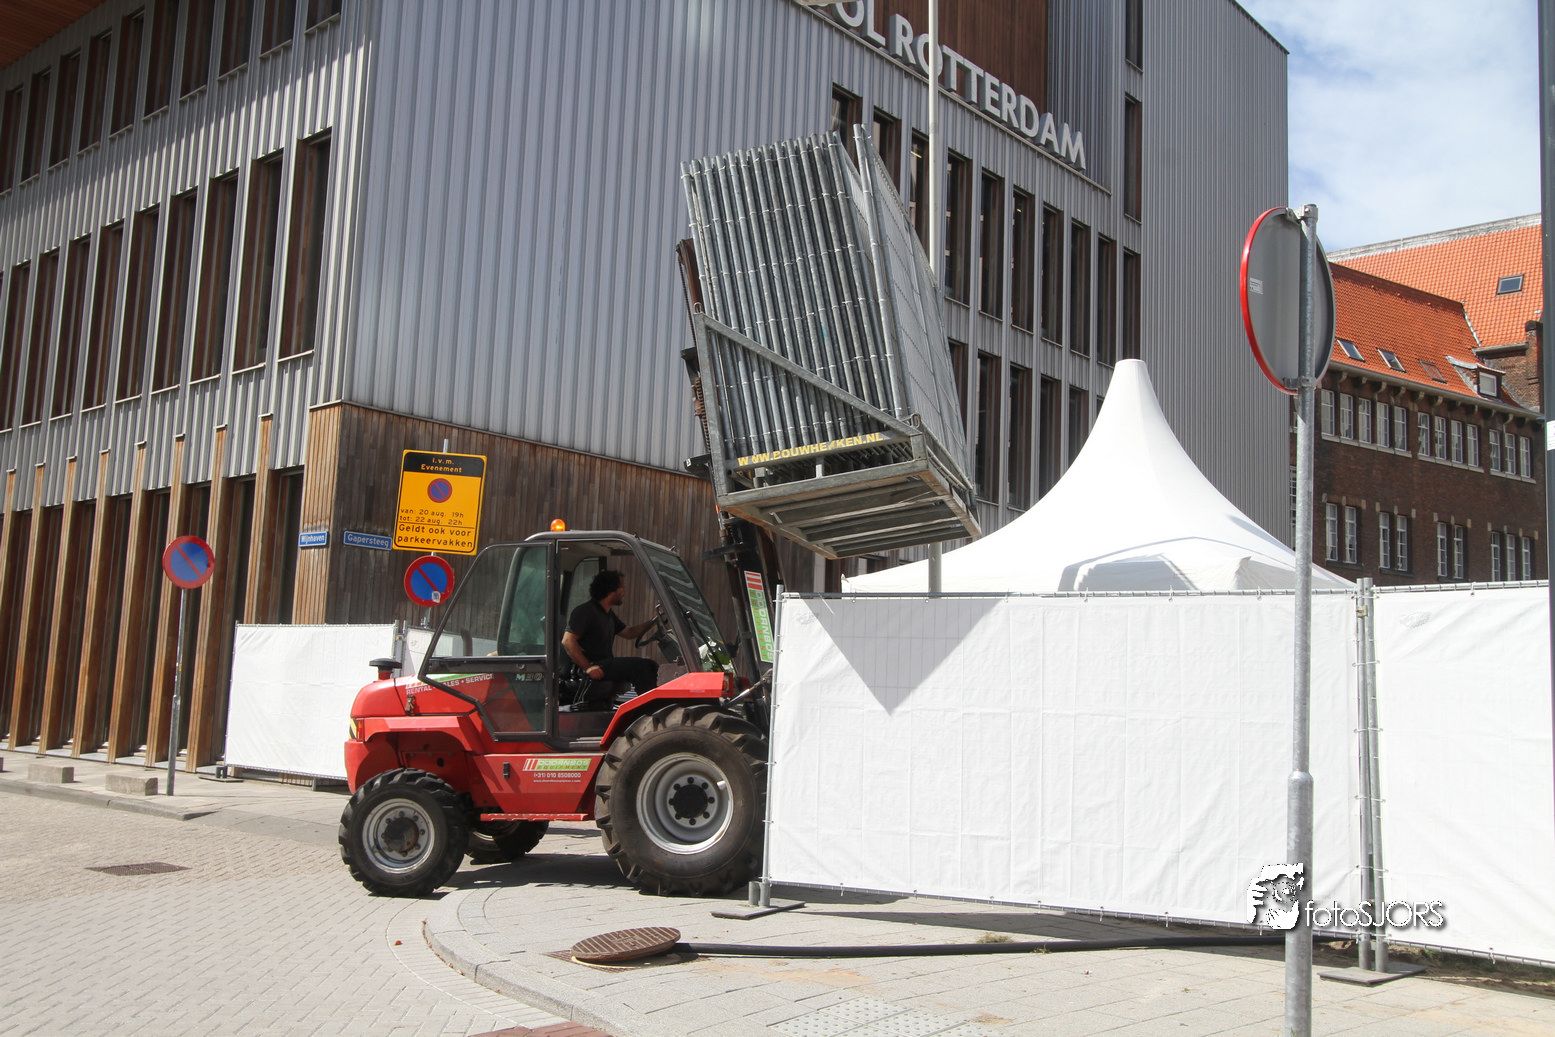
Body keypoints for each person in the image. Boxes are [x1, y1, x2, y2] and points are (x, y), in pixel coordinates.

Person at [561, 570, 660, 708]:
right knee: (641, 667)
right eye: (622, 588)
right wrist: (588, 667)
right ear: (610, 590)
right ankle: (650, 709)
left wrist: (654, 620)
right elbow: (567, 641)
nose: (625, 592)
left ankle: (655, 705)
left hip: (604, 664)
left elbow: (629, 632)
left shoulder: (608, 614)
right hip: (592, 666)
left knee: (651, 665)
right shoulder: (585, 611)